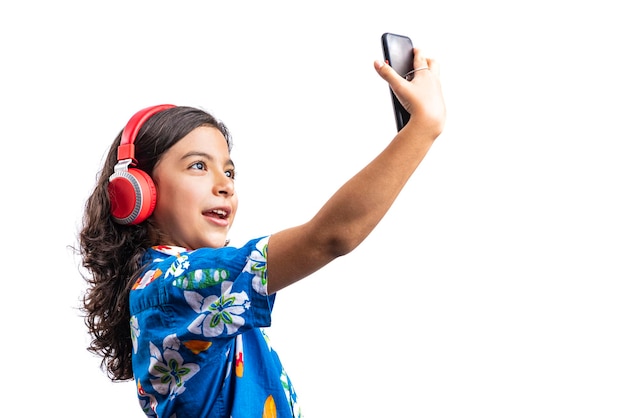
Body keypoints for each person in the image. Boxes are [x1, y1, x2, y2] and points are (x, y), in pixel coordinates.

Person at [79, 48, 446, 417]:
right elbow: (330, 236)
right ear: (136, 193)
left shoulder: (192, 289)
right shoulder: (175, 284)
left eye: (229, 171)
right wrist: (423, 128)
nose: (224, 185)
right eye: (197, 166)